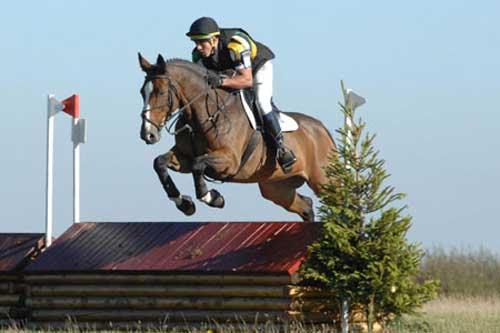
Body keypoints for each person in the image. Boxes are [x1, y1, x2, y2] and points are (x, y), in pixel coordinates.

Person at [186, 17, 296, 173]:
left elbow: (246, 80)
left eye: (201, 42)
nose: (197, 47)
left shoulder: (235, 46)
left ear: (214, 40)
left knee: (261, 103)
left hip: (257, 69)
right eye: (195, 42)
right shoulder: (198, 55)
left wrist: (222, 82)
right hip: (231, 71)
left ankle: (282, 148)